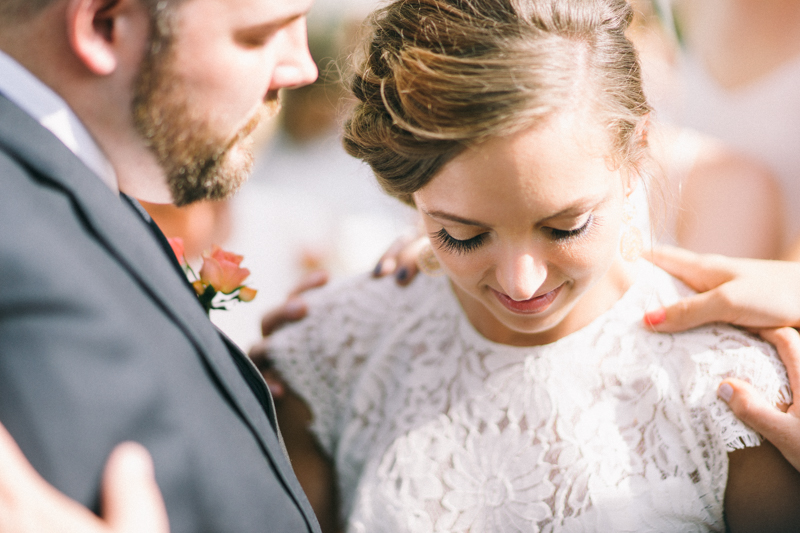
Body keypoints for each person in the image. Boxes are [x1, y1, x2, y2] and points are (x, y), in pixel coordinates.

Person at [261, 0, 800, 530]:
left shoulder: (730, 385)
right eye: (463, 235)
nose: (523, 282)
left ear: (636, 150)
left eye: (566, 228)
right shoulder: (329, 359)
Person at [0, 0, 322, 531]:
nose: (302, 67)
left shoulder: (79, 183)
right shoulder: (16, 235)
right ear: (105, 26)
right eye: (260, 35)